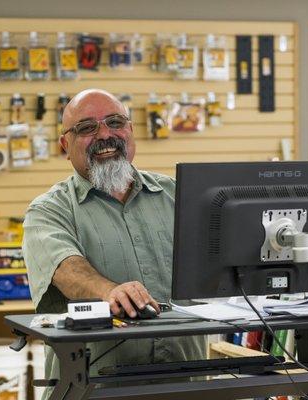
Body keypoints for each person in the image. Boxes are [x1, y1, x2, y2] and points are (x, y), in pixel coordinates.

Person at [22, 89, 206, 398]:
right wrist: (108, 291)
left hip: (185, 383)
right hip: (94, 388)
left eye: (115, 122)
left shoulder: (179, 196)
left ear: (131, 131)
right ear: (66, 145)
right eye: (87, 128)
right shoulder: (48, 210)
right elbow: (66, 269)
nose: (105, 134)